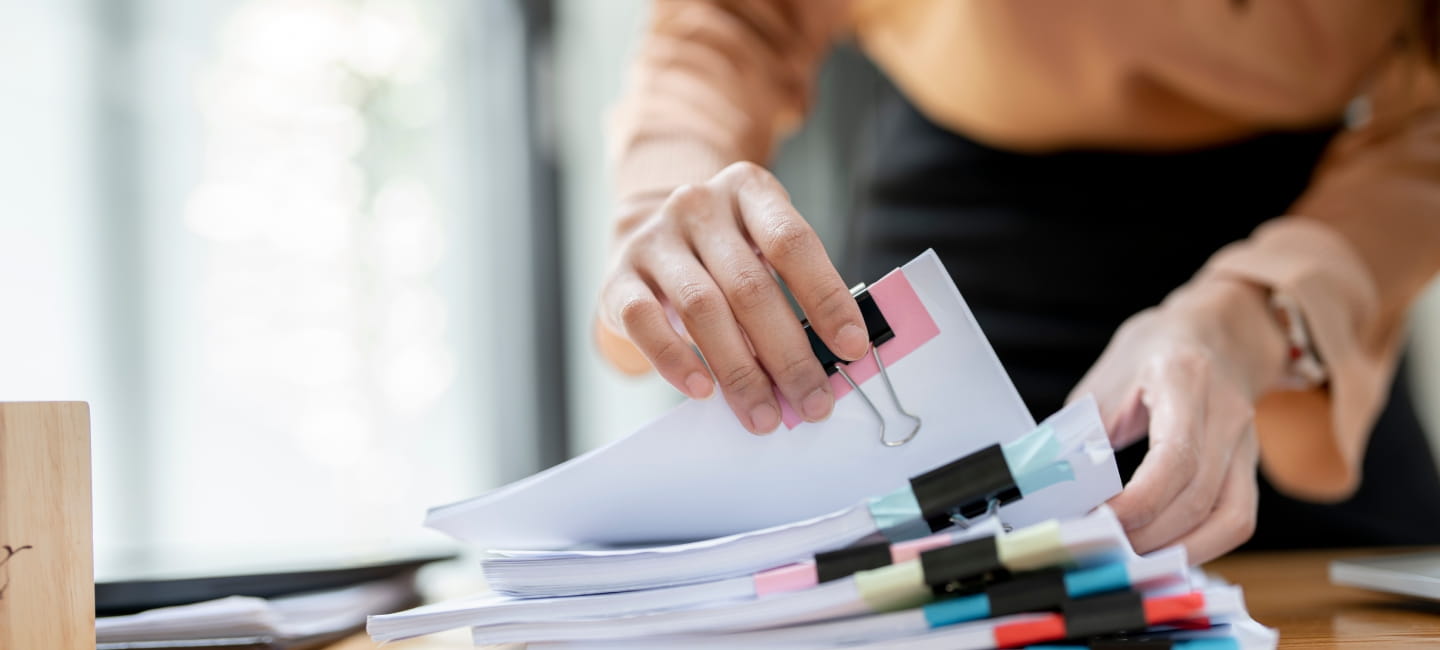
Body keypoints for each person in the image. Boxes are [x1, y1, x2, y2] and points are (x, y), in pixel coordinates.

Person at [592, 0, 1440, 564]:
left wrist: (1257, 319)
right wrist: (663, 201)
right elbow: (735, 19)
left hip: (1307, 268)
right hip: (955, 259)